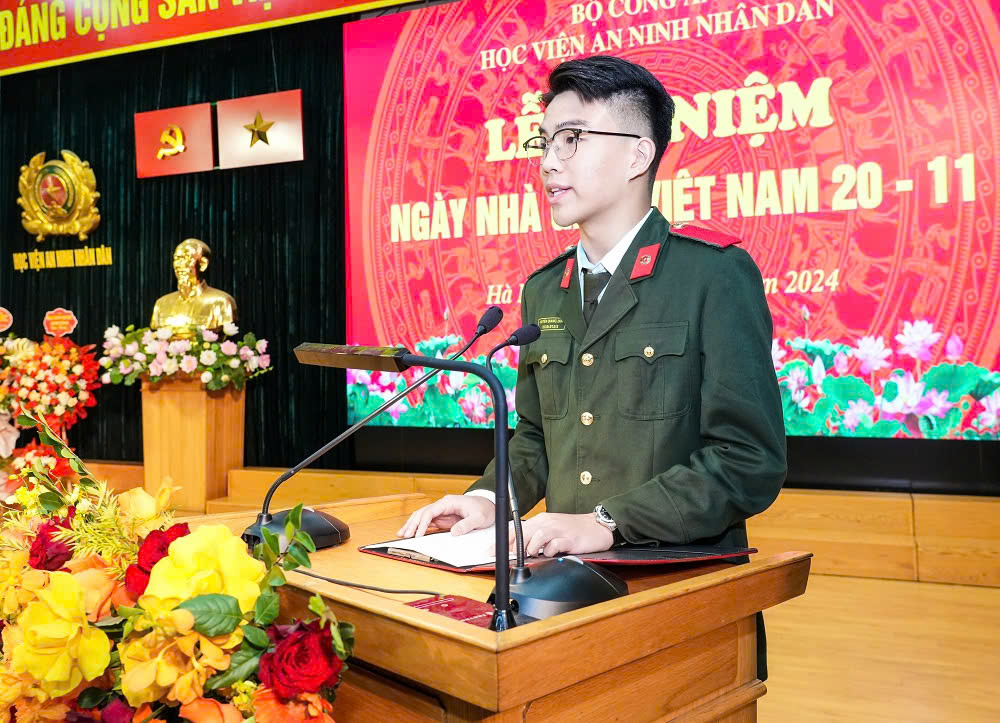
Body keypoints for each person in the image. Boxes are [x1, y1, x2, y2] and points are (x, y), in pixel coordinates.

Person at [397, 55, 786, 677]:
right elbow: (535, 439)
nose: (549, 162)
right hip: (561, 594)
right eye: (544, 141)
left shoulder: (711, 275)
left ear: (638, 154)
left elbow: (748, 460)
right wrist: (491, 500)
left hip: (681, 600)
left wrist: (608, 522)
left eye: (572, 138)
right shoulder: (544, 291)